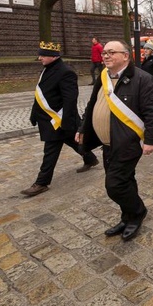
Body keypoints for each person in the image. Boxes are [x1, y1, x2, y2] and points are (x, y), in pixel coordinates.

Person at [76, 40, 153, 241]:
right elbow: (92, 104)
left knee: (114, 185)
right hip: (107, 143)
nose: (105, 56)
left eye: (111, 52)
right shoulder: (104, 76)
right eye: (104, 52)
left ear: (126, 56)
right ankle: (127, 217)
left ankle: (138, 212)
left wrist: (151, 139)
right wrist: (82, 128)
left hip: (128, 141)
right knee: (125, 180)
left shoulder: (143, 79)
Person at [21, 42, 99, 197]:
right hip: (49, 119)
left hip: (59, 120)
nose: (40, 58)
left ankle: (42, 182)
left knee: (50, 151)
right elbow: (41, 95)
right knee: (73, 141)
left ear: (54, 56)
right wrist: (34, 114)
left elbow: (70, 99)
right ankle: (90, 158)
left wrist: (66, 122)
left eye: (43, 55)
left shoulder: (66, 72)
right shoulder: (47, 69)